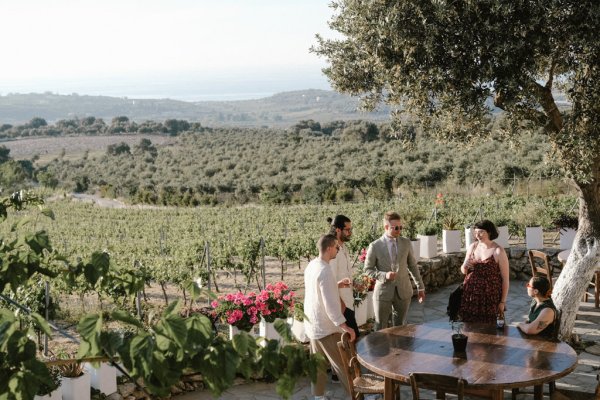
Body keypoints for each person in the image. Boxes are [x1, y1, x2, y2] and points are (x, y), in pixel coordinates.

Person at [304, 234, 357, 399]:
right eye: (337, 247)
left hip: (313, 324)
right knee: (343, 364)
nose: (338, 249)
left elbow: (318, 289)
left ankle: (318, 396)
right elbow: (330, 305)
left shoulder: (312, 265)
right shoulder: (325, 271)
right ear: (329, 248)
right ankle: (357, 396)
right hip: (327, 327)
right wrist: (344, 326)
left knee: (318, 365)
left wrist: (337, 285)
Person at [364, 211, 425, 330]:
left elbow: (412, 265)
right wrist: (384, 275)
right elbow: (367, 269)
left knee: (401, 327)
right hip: (383, 293)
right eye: (395, 228)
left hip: (403, 291)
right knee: (380, 327)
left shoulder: (406, 243)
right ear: (386, 227)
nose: (399, 230)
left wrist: (420, 287)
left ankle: (400, 348)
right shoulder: (375, 246)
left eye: (400, 227)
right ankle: (382, 349)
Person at [459, 219, 510, 323]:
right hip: (471, 292)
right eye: (476, 232)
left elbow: (505, 279)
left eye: (481, 232)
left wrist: (502, 302)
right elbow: (464, 271)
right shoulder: (473, 247)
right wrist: (464, 265)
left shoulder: (498, 251)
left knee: (489, 325)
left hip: (490, 294)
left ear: (489, 232)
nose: (478, 235)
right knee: (469, 323)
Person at [328, 214, 360, 338]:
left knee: (352, 341)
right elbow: (330, 281)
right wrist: (342, 308)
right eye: (347, 230)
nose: (350, 233)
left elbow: (343, 275)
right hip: (342, 306)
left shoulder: (344, 247)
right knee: (353, 339)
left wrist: (354, 283)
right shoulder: (332, 251)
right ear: (338, 229)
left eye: (351, 229)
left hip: (348, 302)